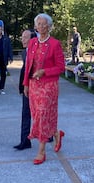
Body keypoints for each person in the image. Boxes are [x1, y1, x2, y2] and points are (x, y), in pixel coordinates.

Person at [24, 13, 65, 165]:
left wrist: (44, 72)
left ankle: (41, 151)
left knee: (42, 114)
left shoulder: (55, 44)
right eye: (38, 24)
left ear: (49, 26)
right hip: (34, 85)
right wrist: (26, 84)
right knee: (38, 116)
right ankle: (56, 133)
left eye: (44, 24)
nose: (41, 27)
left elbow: (60, 67)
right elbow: (28, 65)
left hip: (49, 85)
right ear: (35, 26)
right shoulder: (33, 42)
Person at [13, 29, 37, 151]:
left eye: (25, 37)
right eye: (22, 37)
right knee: (25, 113)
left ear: (32, 39)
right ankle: (25, 140)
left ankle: (50, 134)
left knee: (40, 114)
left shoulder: (37, 52)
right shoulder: (24, 52)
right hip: (26, 87)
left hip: (37, 88)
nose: (23, 40)